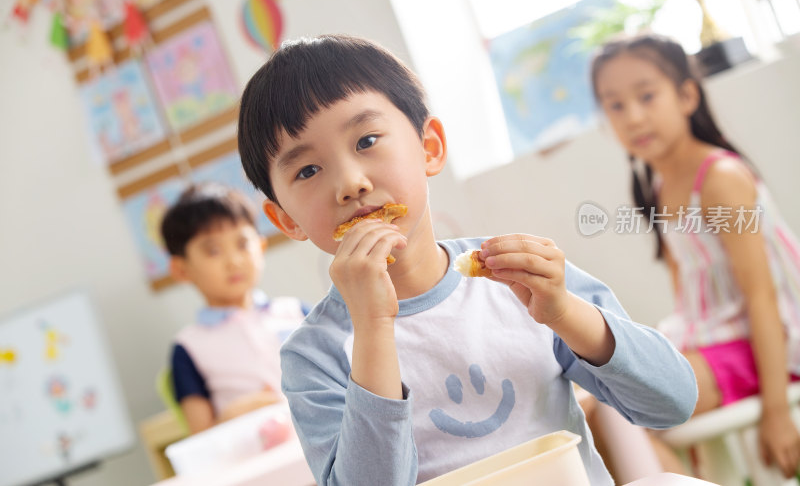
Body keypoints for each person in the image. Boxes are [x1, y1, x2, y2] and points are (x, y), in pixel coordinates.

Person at [237, 34, 697, 485]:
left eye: (366, 140)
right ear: (285, 219)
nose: (350, 183)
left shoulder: (517, 277)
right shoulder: (314, 355)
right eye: (308, 170)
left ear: (429, 146)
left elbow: (672, 402)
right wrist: (373, 328)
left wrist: (563, 312)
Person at [591, 33, 800, 478]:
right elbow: (686, 292)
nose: (633, 117)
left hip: (761, 342)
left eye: (647, 95)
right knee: (596, 400)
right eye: (615, 105)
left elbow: (762, 298)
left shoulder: (720, 178)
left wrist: (778, 413)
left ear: (686, 95)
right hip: (710, 337)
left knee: (618, 407)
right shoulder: (661, 187)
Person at [161, 182, 308, 434]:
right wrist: (232, 416)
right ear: (181, 269)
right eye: (213, 251)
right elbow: (202, 436)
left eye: (242, 244)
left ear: (260, 247)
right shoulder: (188, 348)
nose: (234, 261)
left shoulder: (298, 312)